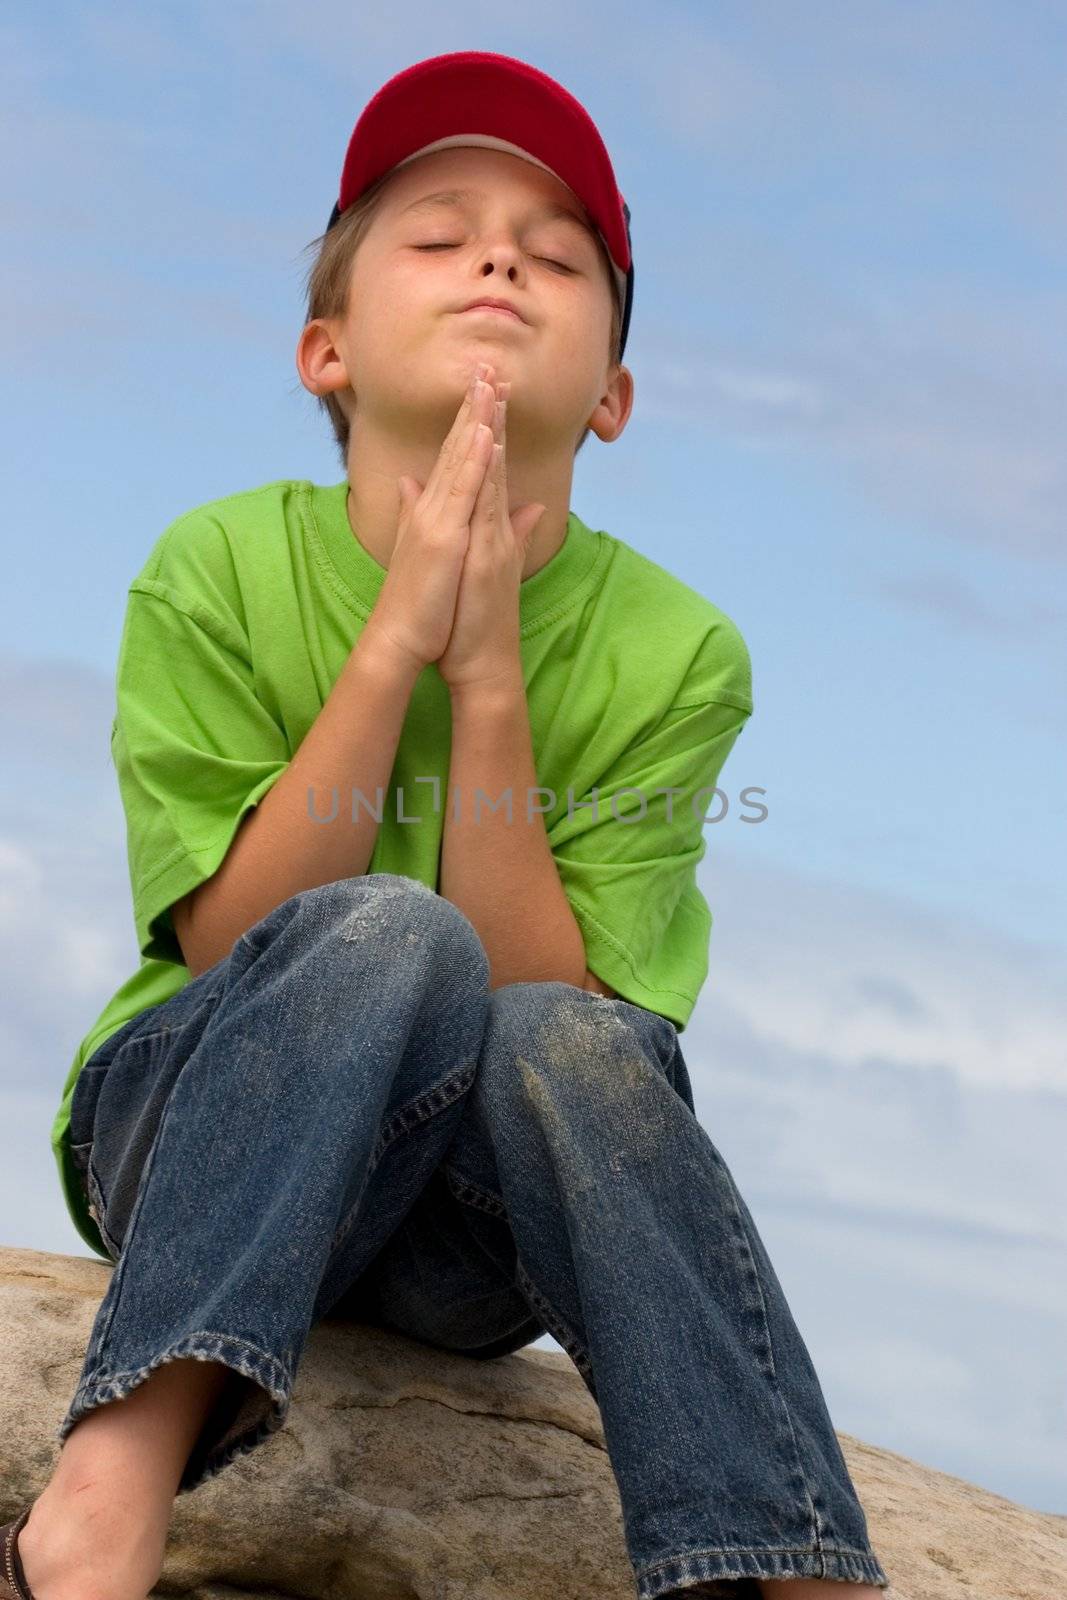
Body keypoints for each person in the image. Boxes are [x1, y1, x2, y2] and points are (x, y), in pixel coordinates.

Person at [4, 50, 891, 1600]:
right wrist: (391, 639)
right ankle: (108, 1491)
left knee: (574, 1039)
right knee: (386, 932)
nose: (500, 258)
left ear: (611, 396)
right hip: (200, 1129)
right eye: (439, 235)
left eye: (557, 256)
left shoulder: (677, 651)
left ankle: (777, 1567)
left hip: (467, 1230)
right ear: (324, 350)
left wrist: (490, 682)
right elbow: (222, 937)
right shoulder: (212, 566)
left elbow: (570, 1021)